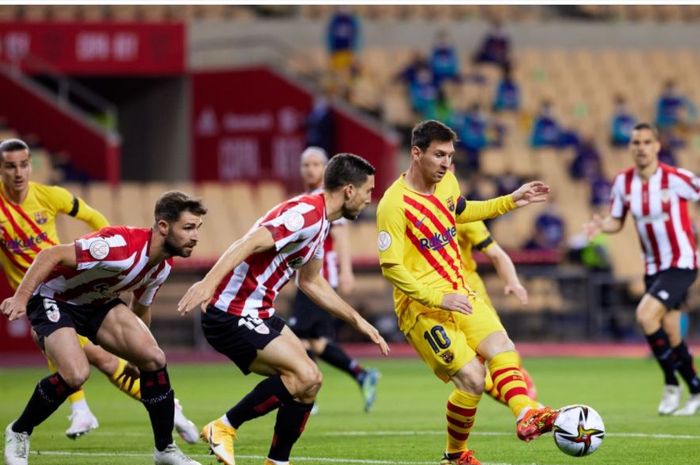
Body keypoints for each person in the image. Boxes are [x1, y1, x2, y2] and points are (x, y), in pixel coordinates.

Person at [177, 153, 389, 465]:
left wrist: (357, 320)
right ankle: (223, 427)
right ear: (348, 190)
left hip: (258, 311)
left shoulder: (321, 223)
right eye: (368, 191)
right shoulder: (304, 215)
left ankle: (277, 461)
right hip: (231, 312)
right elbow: (248, 243)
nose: (370, 199)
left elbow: (311, 282)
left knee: (311, 381)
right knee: (303, 375)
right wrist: (208, 283)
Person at [376, 120, 558, 465]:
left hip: (460, 293)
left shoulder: (447, 182)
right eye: (439, 155)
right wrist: (437, 298)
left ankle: (525, 415)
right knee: (473, 380)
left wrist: (511, 201)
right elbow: (391, 267)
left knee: (502, 347)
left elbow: (461, 211)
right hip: (422, 309)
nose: (446, 163)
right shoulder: (393, 205)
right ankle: (455, 455)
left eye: (450, 155)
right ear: (416, 153)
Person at [0, 138, 198, 443]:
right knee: (81, 367)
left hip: (81, 288)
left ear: (31, 165)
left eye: (24, 164)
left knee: (105, 361)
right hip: (45, 292)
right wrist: (23, 296)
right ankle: (62, 416)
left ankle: (158, 415)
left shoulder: (50, 196)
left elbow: (91, 217)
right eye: (10, 166)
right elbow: (47, 257)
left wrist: (102, 246)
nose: (18, 173)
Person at [585, 122, 700, 416]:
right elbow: (616, 220)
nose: (641, 147)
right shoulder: (623, 183)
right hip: (653, 267)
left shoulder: (676, 178)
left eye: (647, 142)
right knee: (673, 334)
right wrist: (601, 224)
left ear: (657, 146)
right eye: (636, 142)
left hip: (682, 262)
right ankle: (696, 389)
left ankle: (670, 384)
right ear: (630, 147)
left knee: (645, 315)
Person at [288, 147, 380, 413]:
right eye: (306, 165)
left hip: (319, 279)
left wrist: (346, 272)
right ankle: (360, 374)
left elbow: (340, 237)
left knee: (296, 336)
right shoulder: (308, 199)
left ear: (326, 169)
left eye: (316, 164)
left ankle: (306, 393)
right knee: (316, 341)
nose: (310, 169)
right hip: (306, 277)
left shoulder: (328, 201)